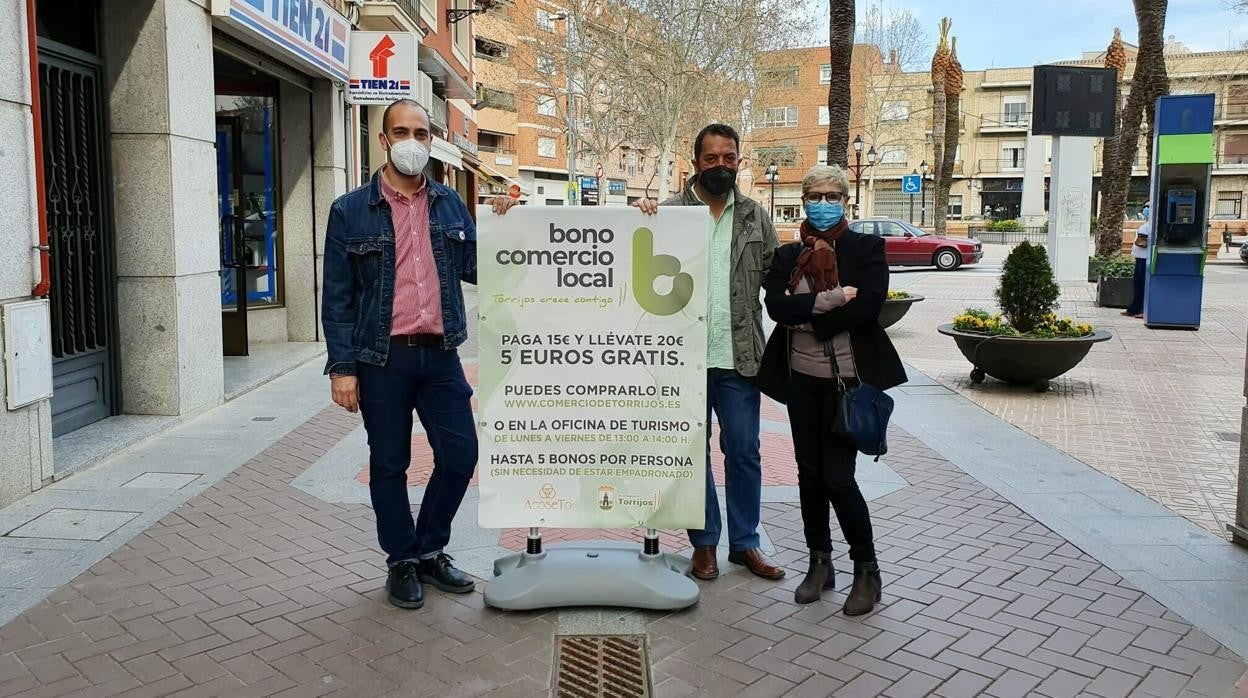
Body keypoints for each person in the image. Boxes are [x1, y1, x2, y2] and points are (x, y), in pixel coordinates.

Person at [493, 124, 785, 582]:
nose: (721, 166)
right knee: (691, 455)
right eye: (712, 158)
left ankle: (745, 544)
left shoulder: (755, 217)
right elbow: (613, 258)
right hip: (680, 360)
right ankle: (704, 544)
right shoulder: (665, 213)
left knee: (744, 451)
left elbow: (776, 278)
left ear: (738, 161)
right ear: (695, 163)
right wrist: (510, 220)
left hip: (739, 355)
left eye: (729, 158)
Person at [322, 99, 478, 610]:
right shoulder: (350, 209)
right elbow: (338, 296)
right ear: (385, 139)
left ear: (430, 141)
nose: (412, 141)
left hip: (440, 354)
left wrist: (506, 221)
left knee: (460, 456)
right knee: (389, 464)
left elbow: (483, 266)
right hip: (380, 358)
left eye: (421, 132)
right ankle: (403, 561)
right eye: (401, 132)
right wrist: (343, 367)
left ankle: (431, 548)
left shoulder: (451, 204)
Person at [754, 165, 906, 615]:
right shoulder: (788, 255)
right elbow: (777, 307)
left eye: (831, 195)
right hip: (800, 382)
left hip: (847, 385)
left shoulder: (866, 248)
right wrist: (834, 299)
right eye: (814, 196)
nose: (822, 204)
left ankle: (867, 569)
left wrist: (807, 316)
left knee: (838, 478)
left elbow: (870, 309)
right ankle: (820, 563)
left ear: (845, 199)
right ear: (803, 201)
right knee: (808, 475)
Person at [1123, 214, 1151, 319]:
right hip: (1140, 257)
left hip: (1145, 258)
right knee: (1137, 284)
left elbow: (1142, 242)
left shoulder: (1151, 226)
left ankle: (1144, 310)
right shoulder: (1147, 225)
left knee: (1143, 284)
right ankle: (1134, 308)